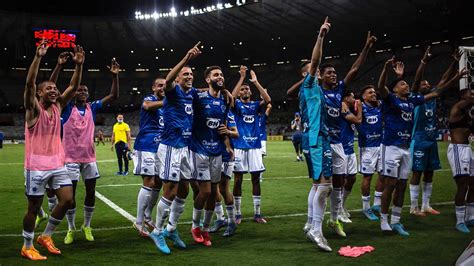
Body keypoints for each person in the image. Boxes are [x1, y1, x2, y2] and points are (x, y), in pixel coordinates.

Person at [376, 56, 466, 236]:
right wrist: (386, 68)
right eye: (402, 84)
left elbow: (436, 93)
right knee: (390, 184)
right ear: (394, 89)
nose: (406, 86)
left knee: (402, 185)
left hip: (405, 147)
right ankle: (384, 220)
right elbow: (380, 87)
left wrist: (456, 79)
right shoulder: (391, 100)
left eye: (406, 84)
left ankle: (396, 221)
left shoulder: (412, 100)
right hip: (391, 147)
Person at [21, 40, 84, 260]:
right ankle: (27, 245)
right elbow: (29, 84)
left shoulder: (58, 106)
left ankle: (46, 236)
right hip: (35, 166)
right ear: (39, 94)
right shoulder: (33, 110)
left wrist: (78, 66)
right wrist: (38, 57)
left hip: (57, 164)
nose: (54, 91)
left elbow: (73, 88)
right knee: (34, 207)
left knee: (67, 200)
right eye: (49, 88)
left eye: (55, 88)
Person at [320, 31, 376, 237]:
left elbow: (354, 68)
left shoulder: (339, 92)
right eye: (329, 73)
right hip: (321, 142)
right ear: (320, 76)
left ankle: (334, 219)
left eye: (335, 72)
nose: (334, 75)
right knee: (320, 186)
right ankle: (313, 223)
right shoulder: (316, 91)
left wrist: (367, 47)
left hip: (337, 144)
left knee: (339, 183)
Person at [59, 58, 120, 245]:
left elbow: (113, 96)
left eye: (85, 90)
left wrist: (115, 77)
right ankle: (71, 228)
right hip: (69, 158)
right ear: (73, 92)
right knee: (70, 197)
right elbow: (68, 91)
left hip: (89, 158)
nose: (83, 92)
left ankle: (87, 225)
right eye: (79, 90)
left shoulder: (91, 107)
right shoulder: (66, 107)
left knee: (91, 192)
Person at [149, 43, 201, 255]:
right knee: (169, 190)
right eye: (185, 74)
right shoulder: (172, 91)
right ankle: (158, 231)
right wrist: (186, 58)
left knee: (184, 189)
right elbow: (168, 80)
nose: (188, 76)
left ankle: (171, 228)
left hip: (185, 147)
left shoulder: (193, 94)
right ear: (179, 78)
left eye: (190, 74)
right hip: (170, 146)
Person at [409, 47, 461, 216]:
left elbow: (444, 80)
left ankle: (426, 205)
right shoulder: (414, 98)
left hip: (431, 140)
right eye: (425, 83)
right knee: (417, 172)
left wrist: (454, 63)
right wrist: (424, 62)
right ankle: (413, 206)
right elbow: (417, 80)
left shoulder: (433, 96)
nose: (427, 84)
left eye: (428, 83)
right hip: (418, 139)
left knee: (430, 172)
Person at [189, 65, 234, 246]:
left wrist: (227, 144)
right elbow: (184, 92)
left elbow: (222, 126)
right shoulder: (198, 97)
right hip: (199, 149)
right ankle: (195, 226)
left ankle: (206, 229)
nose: (220, 76)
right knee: (205, 191)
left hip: (217, 151)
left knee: (214, 192)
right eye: (216, 74)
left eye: (221, 74)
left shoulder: (224, 101)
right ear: (208, 79)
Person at [300, 17, 333, 251]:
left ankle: (310, 223)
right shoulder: (310, 85)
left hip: (314, 138)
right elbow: (315, 59)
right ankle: (316, 230)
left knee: (316, 185)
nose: (318, 71)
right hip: (317, 139)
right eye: (314, 70)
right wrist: (321, 35)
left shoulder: (314, 91)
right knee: (326, 185)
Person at [231, 67, 271, 224]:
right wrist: (241, 78)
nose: (245, 91)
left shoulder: (255, 105)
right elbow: (231, 99)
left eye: (247, 89)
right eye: (243, 89)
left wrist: (256, 82)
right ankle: (238, 213)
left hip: (254, 146)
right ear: (240, 93)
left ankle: (257, 213)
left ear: (250, 92)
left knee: (255, 179)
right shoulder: (237, 105)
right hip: (239, 146)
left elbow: (268, 101)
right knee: (238, 180)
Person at [132, 77, 165, 237]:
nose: (162, 88)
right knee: (149, 181)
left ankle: (147, 217)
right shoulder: (149, 99)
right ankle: (138, 222)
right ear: (153, 88)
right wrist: (170, 101)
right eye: (159, 85)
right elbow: (147, 106)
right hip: (146, 146)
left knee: (158, 182)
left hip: (161, 148)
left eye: (165, 86)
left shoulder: (167, 105)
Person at [447, 87, 473, 233]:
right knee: (462, 185)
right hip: (458, 150)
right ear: (463, 96)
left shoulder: (468, 114)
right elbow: (469, 101)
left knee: (473, 184)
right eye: (471, 94)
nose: (472, 96)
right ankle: (459, 221)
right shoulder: (458, 107)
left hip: (467, 149)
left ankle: (470, 217)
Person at [209, 111, 239, 237]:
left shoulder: (228, 114)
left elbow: (236, 134)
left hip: (226, 155)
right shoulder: (208, 111)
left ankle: (232, 222)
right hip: (211, 152)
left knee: (224, 188)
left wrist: (228, 132)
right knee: (212, 188)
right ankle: (220, 219)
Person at [357, 85, 384, 220]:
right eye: (370, 92)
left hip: (381, 145)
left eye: (374, 92)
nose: (374, 94)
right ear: (364, 96)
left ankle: (377, 204)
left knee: (383, 174)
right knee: (367, 177)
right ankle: (366, 208)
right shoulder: (359, 107)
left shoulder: (379, 106)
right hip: (367, 147)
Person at [338, 92, 362, 223]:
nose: (355, 99)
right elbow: (358, 120)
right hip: (341, 149)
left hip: (350, 148)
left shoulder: (349, 108)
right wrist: (361, 110)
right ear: (346, 98)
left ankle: (342, 204)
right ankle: (338, 210)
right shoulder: (342, 108)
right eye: (352, 97)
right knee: (340, 181)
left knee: (352, 178)